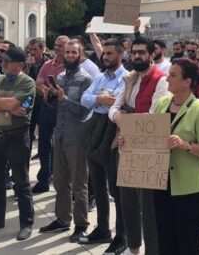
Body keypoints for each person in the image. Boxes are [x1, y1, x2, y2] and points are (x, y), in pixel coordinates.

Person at [146, 59, 199, 255]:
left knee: (187, 240)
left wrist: (185, 145)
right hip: (161, 180)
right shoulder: (161, 103)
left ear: (187, 81)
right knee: (164, 236)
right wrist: (133, 142)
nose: (167, 77)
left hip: (188, 185)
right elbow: (149, 134)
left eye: (173, 75)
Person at [109, 37, 169, 255]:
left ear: (152, 55)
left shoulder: (161, 80)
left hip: (149, 150)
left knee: (149, 209)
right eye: (134, 52)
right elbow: (113, 109)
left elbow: (153, 117)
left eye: (142, 52)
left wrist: (126, 116)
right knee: (127, 204)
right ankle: (133, 249)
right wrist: (123, 117)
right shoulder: (129, 78)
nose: (137, 56)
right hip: (126, 146)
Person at [0, 46, 36, 241]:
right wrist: (3, 102)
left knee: (21, 182)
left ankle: (26, 223)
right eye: (2, 61)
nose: (2, 64)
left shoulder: (27, 83)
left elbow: (12, 105)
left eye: (7, 61)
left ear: (18, 65)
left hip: (17, 137)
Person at [38, 41, 93, 242]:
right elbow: (57, 109)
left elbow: (85, 110)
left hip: (77, 136)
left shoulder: (86, 79)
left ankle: (81, 225)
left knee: (80, 184)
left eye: (73, 52)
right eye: (67, 51)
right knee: (60, 182)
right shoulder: (60, 77)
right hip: (60, 134)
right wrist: (50, 97)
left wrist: (64, 99)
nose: (69, 55)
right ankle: (62, 219)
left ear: (80, 54)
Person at [79, 39, 128, 247]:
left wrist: (101, 99)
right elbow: (85, 97)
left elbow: (117, 103)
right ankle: (102, 228)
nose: (105, 57)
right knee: (97, 184)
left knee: (117, 189)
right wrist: (99, 98)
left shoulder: (127, 78)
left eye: (109, 53)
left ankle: (123, 235)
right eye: (104, 53)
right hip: (95, 128)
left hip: (114, 131)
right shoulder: (100, 77)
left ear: (120, 55)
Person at [32, 35, 68, 194]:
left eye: (62, 45)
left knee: (62, 146)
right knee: (44, 145)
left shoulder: (72, 66)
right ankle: (44, 179)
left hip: (64, 111)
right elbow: (37, 83)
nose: (58, 48)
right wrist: (45, 90)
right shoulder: (47, 65)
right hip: (47, 109)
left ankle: (62, 180)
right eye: (56, 45)